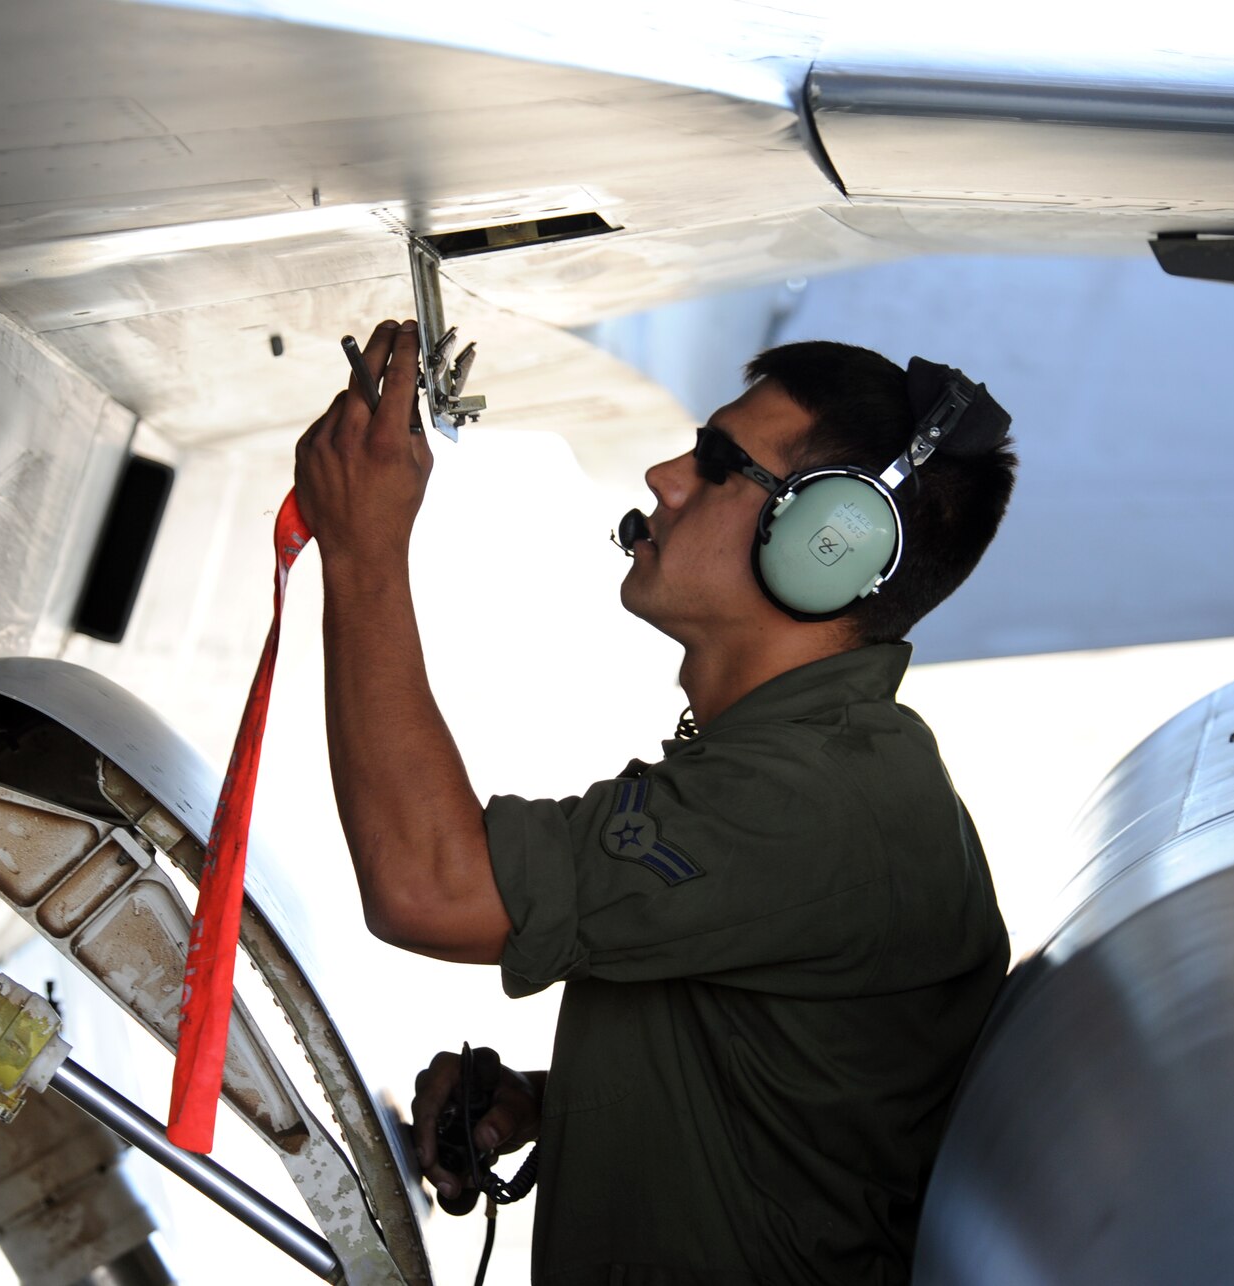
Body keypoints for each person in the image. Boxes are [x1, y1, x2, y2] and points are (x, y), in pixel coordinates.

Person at [292, 320, 1016, 1285]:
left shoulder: (806, 801)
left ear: (826, 543)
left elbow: (430, 887)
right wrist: (560, 1102)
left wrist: (362, 548)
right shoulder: (832, 768)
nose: (665, 476)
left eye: (719, 464)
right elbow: (804, 1095)